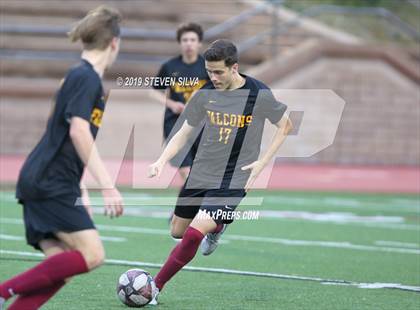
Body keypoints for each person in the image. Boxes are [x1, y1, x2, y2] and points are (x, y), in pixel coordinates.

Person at [148, 39, 293, 303]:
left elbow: (285, 126)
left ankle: (154, 287)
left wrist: (262, 163)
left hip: (235, 175)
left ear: (234, 67)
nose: (212, 77)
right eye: (209, 71)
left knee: (193, 234)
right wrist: (161, 160)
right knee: (177, 232)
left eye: (218, 72)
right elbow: (184, 131)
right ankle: (218, 226)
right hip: (203, 171)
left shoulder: (257, 93)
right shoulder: (205, 93)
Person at [0, 6, 124, 310]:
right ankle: (3, 290)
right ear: (114, 43)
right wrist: (107, 186)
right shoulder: (87, 79)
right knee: (93, 255)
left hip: (47, 178)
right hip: (49, 181)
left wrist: (80, 190)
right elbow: (78, 133)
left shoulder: (78, 76)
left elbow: (61, 136)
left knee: (61, 268)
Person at [152, 22, 209, 182]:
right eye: (185, 40)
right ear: (180, 43)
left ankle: (191, 205)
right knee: (185, 170)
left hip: (201, 123)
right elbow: (154, 92)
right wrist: (171, 104)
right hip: (175, 122)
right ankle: (191, 206)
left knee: (200, 170)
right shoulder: (169, 67)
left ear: (199, 43)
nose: (189, 43)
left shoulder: (208, 67)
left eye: (192, 40)